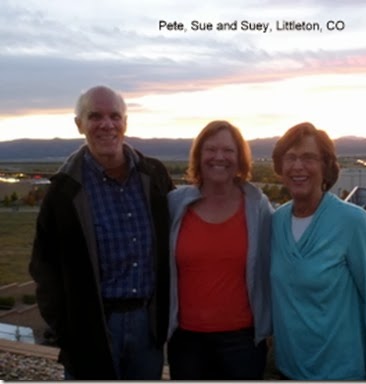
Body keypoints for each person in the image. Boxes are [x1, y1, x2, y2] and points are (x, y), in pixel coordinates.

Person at [29, 85, 175, 380]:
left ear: (125, 123)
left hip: (148, 328)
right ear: (79, 124)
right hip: (92, 330)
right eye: (95, 116)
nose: (107, 125)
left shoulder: (154, 176)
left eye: (115, 116)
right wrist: (67, 331)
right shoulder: (64, 190)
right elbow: (44, 268)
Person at [270, 121, 366, 380]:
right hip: (287, 371)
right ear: (280, 167)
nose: (298, 166)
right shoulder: (275, 221)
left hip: (340, 374)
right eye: (290, 158)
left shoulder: (353, 222)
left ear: (326, 167)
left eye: (308, 158)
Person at [166, 120, 273, 380]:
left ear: (240, 159)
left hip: (243, 343)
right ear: (199, 156)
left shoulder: (258, 207)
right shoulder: (176, 205)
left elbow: (278, 262)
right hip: (186, 341)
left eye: (228, 150)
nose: (219, 157)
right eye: (210, 150)